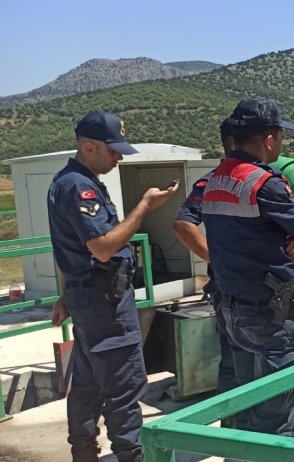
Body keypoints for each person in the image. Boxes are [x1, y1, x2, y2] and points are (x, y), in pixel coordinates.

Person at [48, 111, 179, 462]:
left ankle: (84, 452)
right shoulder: (80, 186)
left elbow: (65, 246)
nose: (119, 157)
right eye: (113, 150)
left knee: (88, 385)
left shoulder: (67, 181)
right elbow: (103, 247)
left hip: (88, 299)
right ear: (89, 147)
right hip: (104, 303)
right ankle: (132, 455)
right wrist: (146, 206)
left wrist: (66, 295)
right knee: (122, 388)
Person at [202, 97, 294, 435]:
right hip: (272, 314)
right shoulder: (264, 183)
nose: (282, 144)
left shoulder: (215, 179)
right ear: (269, 139)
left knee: (246, 400)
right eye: (281, 136)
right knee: (275, 412)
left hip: (232, 308)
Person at [172, 121, 240, 416]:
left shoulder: (210, 182)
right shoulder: (257, 180)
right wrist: (218, 258)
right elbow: (182, 224)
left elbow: (183, 223)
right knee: (255, 362)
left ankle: (232, 428)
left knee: (232, 359)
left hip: (226, 285)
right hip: (246, 287)